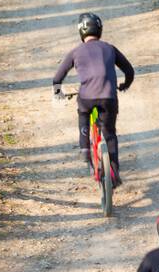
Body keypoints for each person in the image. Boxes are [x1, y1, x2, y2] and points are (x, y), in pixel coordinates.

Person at [52, 12, 134, 185]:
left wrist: (58, 93)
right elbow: (129, 71)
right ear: (100, 30)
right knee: (109, 134)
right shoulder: (110, 48)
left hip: (87, 98)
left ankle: (85, 152)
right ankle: (114, 173)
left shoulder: (75, 52)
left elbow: (57, 78)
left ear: (81, 32)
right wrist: (124, 85)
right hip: (108, 97)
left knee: (84, 117)